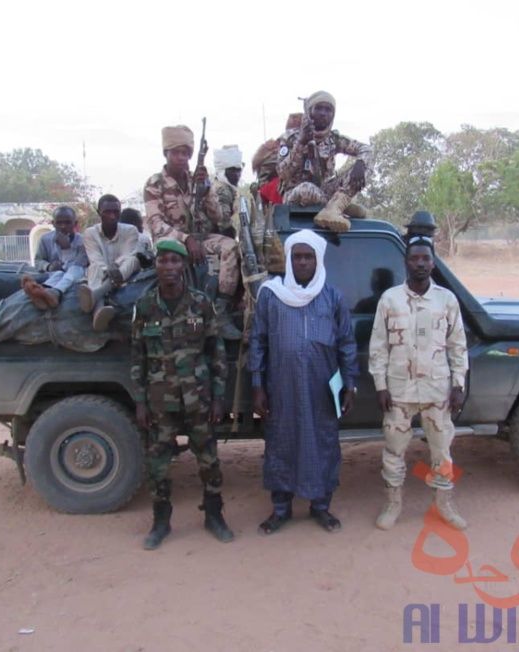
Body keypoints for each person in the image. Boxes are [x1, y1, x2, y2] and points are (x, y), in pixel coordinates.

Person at [249, 229, 359, 534]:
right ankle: (281, 509)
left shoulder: (333, 297)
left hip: (321, 388)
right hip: (280, 388)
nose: (302, 262)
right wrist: (257, 384)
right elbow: (257, 341)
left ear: (318, 259)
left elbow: (346, 343)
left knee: (322, 444)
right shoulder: (271, 295)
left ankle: (320, 508)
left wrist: (350, 384)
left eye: (308, 257)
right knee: (281, 444)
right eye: (296, 257)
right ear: (288, 259)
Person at [131, 238, 234, 550]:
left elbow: (216, 352)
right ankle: (161, 521)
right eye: (163, 261)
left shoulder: (201, 303)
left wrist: (218, 397)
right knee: (158, 462)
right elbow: (137, 356)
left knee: (208, 459)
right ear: (157, 266)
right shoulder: (145, 306)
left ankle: (214, 515)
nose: (169, 267)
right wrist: (139, 400)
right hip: (160, 401)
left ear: (184, 266)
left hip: (198, 397)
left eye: (175, 262)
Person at [368, 235, 469, 531]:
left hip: (437, 391)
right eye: (415, 258)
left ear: (433, 263)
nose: (421, 264)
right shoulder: (390, 299)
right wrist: (380, 385)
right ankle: (393, 504)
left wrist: (459, 384)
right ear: (406, 262)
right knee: (393, 451)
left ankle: (444, 504)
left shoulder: (446, 300)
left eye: (426, 258)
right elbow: (379, 345)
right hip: (399, 391)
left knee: (441, 452)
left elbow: (457, 345)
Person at [143, 125, 242, 339]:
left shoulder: (196, 179)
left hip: (201, 237)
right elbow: (156, 225)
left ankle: (221, 310)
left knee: (231, 247)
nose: (181, 158)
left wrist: (206, 190)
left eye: (185, 153)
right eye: (175, 152)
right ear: (166, 153)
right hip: (171, 241)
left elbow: (219, 218)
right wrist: (185, 239)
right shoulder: (154, 184)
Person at [277, 91, 372, 233]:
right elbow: (283, 174)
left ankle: (334, 208)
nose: (323, 113)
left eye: (328, 110)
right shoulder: (290, 138)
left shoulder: (333, 139)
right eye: (318, 108)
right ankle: (339, 204)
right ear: (310, 111)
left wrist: (360, 163)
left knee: (365, 164)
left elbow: (366, 149)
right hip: (296, 193)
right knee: (306, 188)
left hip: (325, 191)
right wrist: (301, 142)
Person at [79, 194, 148, 331]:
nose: (112, 216)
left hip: (124, 272)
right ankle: (98, 310)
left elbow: (127, 254)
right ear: (99, 213)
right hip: (102, 272)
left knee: (134, 260)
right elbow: (95, 258)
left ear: (120, 213)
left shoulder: (131, 231)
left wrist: (115, 266)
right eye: (107, 212)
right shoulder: (90, 233)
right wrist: (107, 269)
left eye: (116, 212)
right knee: (93, 267)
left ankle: (96, 295)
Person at [22, 205, 88, 310]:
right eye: (59, 223)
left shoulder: (83, 241)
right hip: (53, 275)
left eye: (67, 222)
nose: (63, 226)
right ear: (53, 223)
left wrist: (66, 248)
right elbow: (38, 260)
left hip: (76, 275)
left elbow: (80, 264)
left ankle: (53, 292)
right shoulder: (45, 239)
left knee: (75, 270)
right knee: (58, 273)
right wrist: (49, 266)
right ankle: (43, 292)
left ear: (75, 224)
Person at [213, 144, 244, 238]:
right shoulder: (223, 190)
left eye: (238, 170)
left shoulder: (225, 187)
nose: (237, 175)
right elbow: (223, 224)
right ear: (223, 172)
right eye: (232, 171)